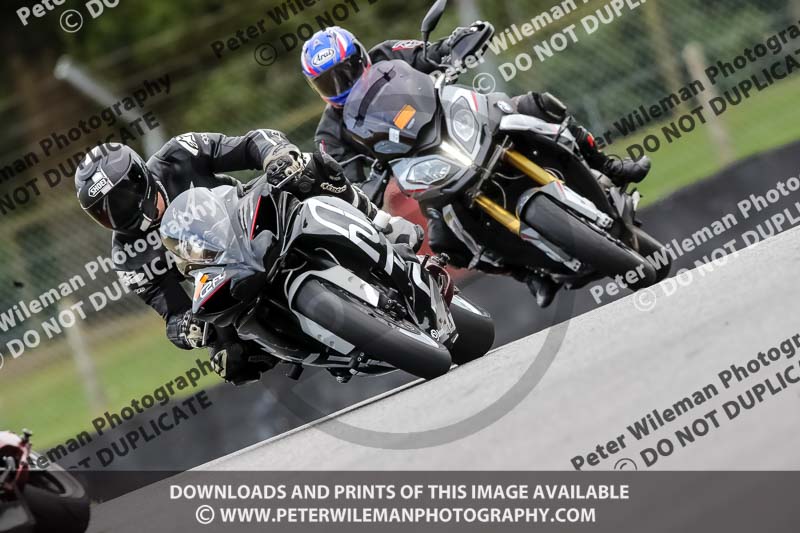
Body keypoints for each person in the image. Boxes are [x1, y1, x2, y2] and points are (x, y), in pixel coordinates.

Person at [301, 26, 652, 307]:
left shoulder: (388, 54)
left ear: (360, 57)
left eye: (345, 72)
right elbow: (342, 176)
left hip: (454, 118)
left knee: (536, 106)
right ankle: (528, 274)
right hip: (422, 166)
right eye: (328, 82)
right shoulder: (330, 132)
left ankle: (608, 165)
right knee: (446, 243)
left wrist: (457, 44)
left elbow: (432, 52)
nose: (341, 85)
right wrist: (363, 191)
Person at [74, 131, 422, 384]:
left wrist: (276, 157)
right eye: (103, 212)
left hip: (253, 218)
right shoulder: (128, 255)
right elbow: (172, 313)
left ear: (139, 177)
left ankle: (381, 223)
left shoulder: (179, 153)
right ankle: (318, 346)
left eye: (120, 199)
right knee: (230, 362)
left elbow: (251, 142)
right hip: (220, 276)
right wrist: (187, 330)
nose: (116, 215)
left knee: (310, 169)